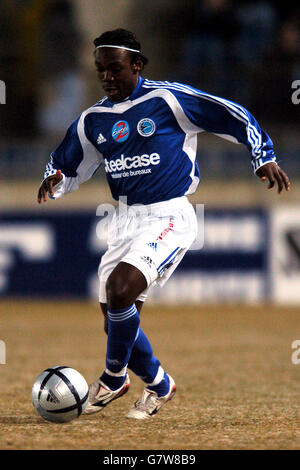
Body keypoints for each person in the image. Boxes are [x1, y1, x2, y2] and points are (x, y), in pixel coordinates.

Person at [37, 28, 290, 420]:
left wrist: (262, 154)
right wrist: (56, 180)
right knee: (115, 320)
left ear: (137, 65)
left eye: (115, 69)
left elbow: (231, 114)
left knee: (121, 290)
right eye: (101, 70)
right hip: (123, 220)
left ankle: (113, 378)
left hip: (169, 214)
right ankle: (159, 384)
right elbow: (68, 163)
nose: (107, 77)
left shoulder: (166, 99)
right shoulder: (94, 119)